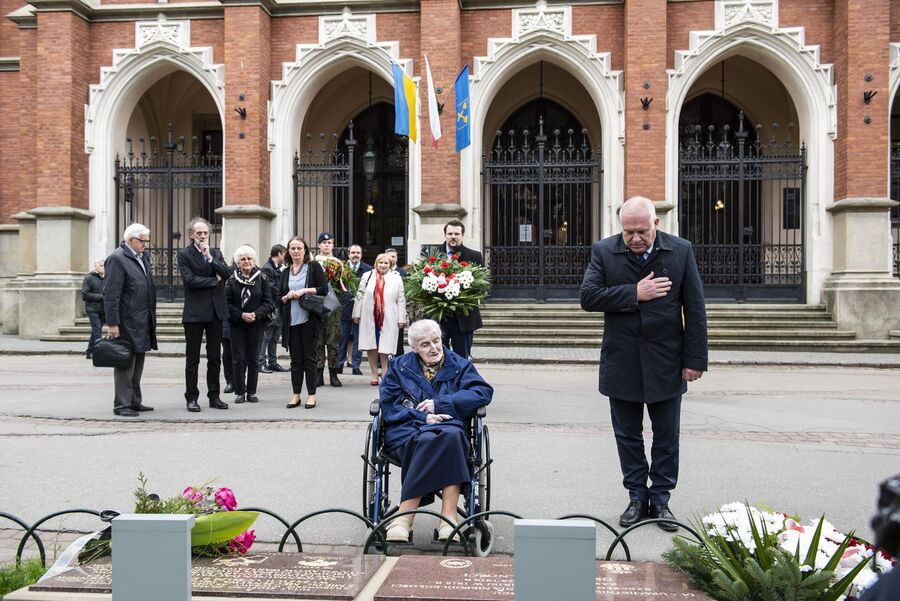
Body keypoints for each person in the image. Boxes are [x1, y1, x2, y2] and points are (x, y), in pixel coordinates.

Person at [580, 196, 708, 531]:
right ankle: (637, 497)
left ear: (656, 224)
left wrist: (694, 359)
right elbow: (588, 297)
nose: (635, 238)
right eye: (628, 232)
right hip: (622, 360)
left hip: (667, 360)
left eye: (642, 231)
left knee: (667, 436)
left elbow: (695, 309)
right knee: (628, 436)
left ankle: (661, 499)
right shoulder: (604, 251)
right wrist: (633, 293)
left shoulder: (680, 251)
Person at [378, 319, 493, 542]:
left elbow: (482, 392)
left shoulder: (459, 365)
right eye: (425, 344)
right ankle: (448, 520)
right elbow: (390, 404)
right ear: (414, 348)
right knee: (442, 439)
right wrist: (424, 417)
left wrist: (440, 404)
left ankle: (404, 518)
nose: (434, 348)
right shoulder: (399, 367)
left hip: (449, 428)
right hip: (408, 431)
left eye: (436, 340)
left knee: (449, 436)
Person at [178, 217, 231, 413]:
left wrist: (209, 258)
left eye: (205, 233)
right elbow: (190, 280)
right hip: (194, 313)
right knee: (193, 359)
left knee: (215, 357)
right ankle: (191, 397)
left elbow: (227, 273)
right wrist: (214, 282)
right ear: (191, 235)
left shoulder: (215, 253)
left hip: (216, 313)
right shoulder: (184, 254)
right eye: (198, 233)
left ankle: (214, 396)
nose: (202, 236)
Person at [103, 223, 157, 417]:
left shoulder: (141, 257)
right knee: (125, 362)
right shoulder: (117, 259)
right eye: (143, 241)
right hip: (126, 321)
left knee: (138, 362)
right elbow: (111, 294)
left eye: (146, 241)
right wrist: (112, 323)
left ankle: (134, 400)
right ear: (131, 240)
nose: (145, 245)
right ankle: (122, 404)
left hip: (142, 319)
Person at [280, 236, 328, 409]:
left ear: (305, 250)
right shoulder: (285, 272)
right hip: (291, 322)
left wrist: (303, 291)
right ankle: (296, 395)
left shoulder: (313, 267)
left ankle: (312, 395)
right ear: (288, 251)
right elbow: (278, 297)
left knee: (310, 359)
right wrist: (286, 296)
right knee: (295, 361)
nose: (296, 251)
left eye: (299, 248)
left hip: (309, 320)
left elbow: (324, 289)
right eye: (292, 248)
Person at [225, 245, 274, 405]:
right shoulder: (231, 280)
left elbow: (268, 302)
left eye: (249, 258)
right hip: (237, 324)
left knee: (253, 359)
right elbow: (226, 303)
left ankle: (251, 392)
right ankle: (240, 392)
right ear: (238, 262)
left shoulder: (262, 278)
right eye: (243, 259)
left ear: (254, 260)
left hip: (256, 324)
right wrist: (241, 315)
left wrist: (256, 314)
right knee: (238, 359)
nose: (246, 261)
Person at [431, 220, 483, 359]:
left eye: (456, 234)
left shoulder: (474, 256)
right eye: (450, 234)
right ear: (445, 235)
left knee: (462, 358)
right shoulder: (432, 254)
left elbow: (480, 285)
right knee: (438, 357)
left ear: (462, 235)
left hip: (463, 317)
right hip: (439, 315)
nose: (453, 237)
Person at [353, 253, 406, 386]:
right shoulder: (367, 276)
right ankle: (374, 373)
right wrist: (356, 313)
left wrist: (402, 318)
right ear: (376, 264)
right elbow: (360, 295)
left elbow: (401, 299)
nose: (383, 265)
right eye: (380, 262)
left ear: (390, 265)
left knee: (385, 345)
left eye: (386, 263)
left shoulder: (396, 278)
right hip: (369, 316)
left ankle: (385, 371)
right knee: (371, 345)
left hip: (389, 316)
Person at [337, 244, 371, 376]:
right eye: (353, 252)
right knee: (342, 338)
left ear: (361, 255)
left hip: (361, 310)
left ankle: (356, 365)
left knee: (358, 339)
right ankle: (339, 364)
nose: (355, 255)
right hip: (344, 308)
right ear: (348, 254)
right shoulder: (341, 269)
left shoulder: (368, 270)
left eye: (358, 252)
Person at [314, 231, 343, 388]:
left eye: (329, 243)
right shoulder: (313, 262)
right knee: (318, 340)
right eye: (324, 243)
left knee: (333, 341)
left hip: (333, 306)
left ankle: (333, 374)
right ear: (319, 245)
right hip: (318, 304)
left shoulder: (338, 263)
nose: (326, 245)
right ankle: (318, 374)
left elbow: (342, 284)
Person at [258, 244, 288, 374]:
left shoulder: (277, 268)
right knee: (267, 336)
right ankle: (261, 362)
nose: (286, 256)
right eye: (285, 253)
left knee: (275, 337)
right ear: (280, 253)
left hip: (279, 307)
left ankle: (272, 362)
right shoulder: (267, 268)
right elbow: (271, 288)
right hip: (271, 308)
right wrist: (286, 294)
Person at [81, 259, 105, 360]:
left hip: (103, 309)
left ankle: (89, 351)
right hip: (92, 309)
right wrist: (101, 297)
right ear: (96, 267)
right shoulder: (89, 278)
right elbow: (85, 294)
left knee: (96, 330)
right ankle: (99, 352)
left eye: (105, 266)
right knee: (97, 329)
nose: (104, 267)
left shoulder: (107, 278)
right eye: (101, 265)